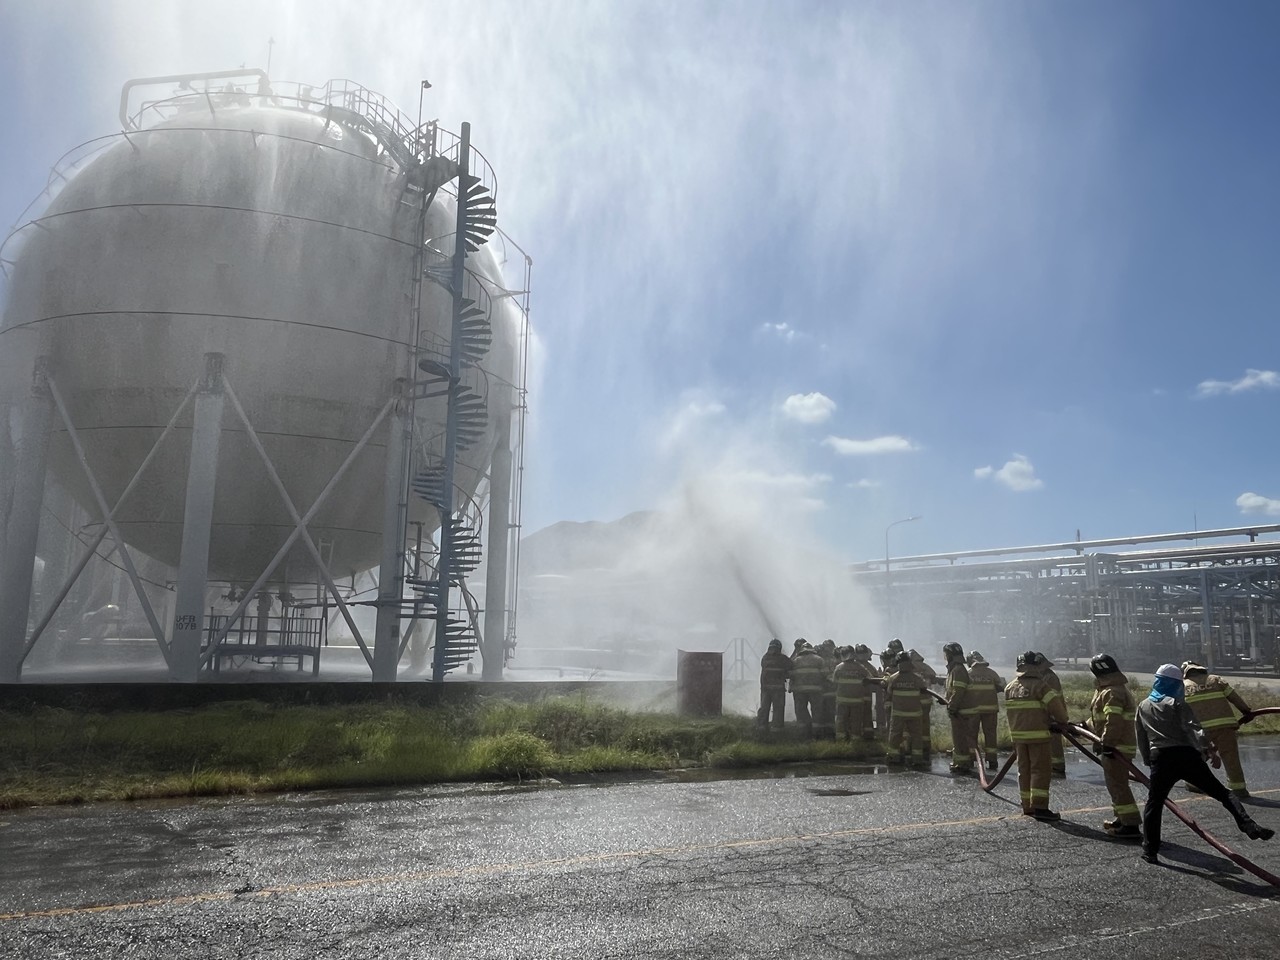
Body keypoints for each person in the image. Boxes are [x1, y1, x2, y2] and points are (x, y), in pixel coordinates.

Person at [1135, 663, 1273, 865]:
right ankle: (1248, 824)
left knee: (1154, 804)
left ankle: (1150, 850)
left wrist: (1149, 761)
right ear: (1176, 684)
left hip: (1161, 758)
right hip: (1186, 755)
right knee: (1223, 793)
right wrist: (1208, 750)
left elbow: (1141, 737)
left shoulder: (1143, 705)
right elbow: (1193, 729)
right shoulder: (1177, 703)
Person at [1005, 651, 1069, 821]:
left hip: (1018, 737)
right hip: (1039, 736)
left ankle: (1027, 806)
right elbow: (1059, 712)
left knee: (1023, 771)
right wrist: (1061, 722)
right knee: (1040, 771)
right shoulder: (1041, 686)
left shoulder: (1010, 687)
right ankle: (1040, 807)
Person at [1083, 654, 1141, 840]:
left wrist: (1107, 743)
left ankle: (1130, 825)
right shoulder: (1109, 689)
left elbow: (1113, 721)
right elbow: (1101, 720)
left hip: (1117, 746)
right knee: (1115, 785)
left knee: (1118, 785)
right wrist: (1084, 726)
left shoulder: (1112, 692)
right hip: (1115, 744)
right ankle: (1121, 818)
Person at [1181, 661, 1254, 797]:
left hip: (1200, 731)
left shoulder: (1182, 686)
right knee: (1231, 757)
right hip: (1225, 726)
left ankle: (1194, 784)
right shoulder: (1215, 680)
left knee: (1196, 758)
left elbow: (1180, 710)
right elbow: (1234, 697)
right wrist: (1246, 711)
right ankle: (1239, 789)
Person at [884, 650, 929, 767]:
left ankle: (893, 756)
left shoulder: (893, 678)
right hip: (915, 713)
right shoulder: (917, 679)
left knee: (895, 735)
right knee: (916, 736)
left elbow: (889, 693)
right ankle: (917, 758)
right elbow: (924, 690)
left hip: (898, 713)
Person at [966, 651, 1004, 769]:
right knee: (991, 734)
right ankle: (992, 761)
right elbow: (1001, 687)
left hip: (973, 710)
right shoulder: (992, 673)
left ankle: (971, 759)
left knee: (971, 734)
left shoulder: (968, 674)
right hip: (991, 709)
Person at [941, 643, 975, 774]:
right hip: (959, 710)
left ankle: (962, 764)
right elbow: (952, 690)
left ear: (949, 655)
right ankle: (959, 762)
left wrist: (953, 706)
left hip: (962, 711)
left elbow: (959, 691)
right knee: (958, 738)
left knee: (961, 739)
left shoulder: (958, 670)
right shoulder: (955, 669)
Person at [790, 640, 828, 740]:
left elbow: (791, 675)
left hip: (800, 691)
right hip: (816, 690)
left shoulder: (796, 661)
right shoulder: (819, 660)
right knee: (817, 712)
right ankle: (817, 735)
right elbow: (825, 674)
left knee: (800, 711)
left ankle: (803, 734)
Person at [1038, 652, 1067, 777]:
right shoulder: (1041, 676)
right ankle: (1050, 765)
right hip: (1045, 715)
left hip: (1054, 714)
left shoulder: (1050, 678)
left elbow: (1052, 700)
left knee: (1054, 742)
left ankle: (1057, 766)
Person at [833, 646, 871, 742]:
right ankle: (856, 741)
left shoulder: (839, 667)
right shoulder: (860, 667)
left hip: (842, 700)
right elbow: (869, 678)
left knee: (841, 720)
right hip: (857, 700)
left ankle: (841, 741)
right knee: (856, 721)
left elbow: (834, 681)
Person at [909, 649, 939, 760]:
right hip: (926, 700)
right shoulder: (925, 666)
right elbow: (934, 676)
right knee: (925, 724)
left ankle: (912, 746)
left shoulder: (910, 667)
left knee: (913, 725)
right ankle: (926, 746)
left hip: (914, 700)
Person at [756, 639, 791, 733]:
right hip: (778, 689)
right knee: (778, 709)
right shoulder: (783, 658)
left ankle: (762, 729)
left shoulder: (765, 658)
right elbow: (790, 668)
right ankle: (777, 731)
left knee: (764, 708)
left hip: (765, 689)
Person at [853, 644, 881, 740]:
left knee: (856, 716)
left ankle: (857, 735)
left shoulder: (851, 665)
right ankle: (867, 735)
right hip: (863, 697)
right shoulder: (869, 667)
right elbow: (877, 680)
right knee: (866, 716)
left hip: (855, 697)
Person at [816, 640, 839, 740]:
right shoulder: (822, 659)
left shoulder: (832, 660)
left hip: (829, 691)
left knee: (828, 714)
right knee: (823, 714)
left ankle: (828, 735)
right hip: (824, 691)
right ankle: (825, 734)